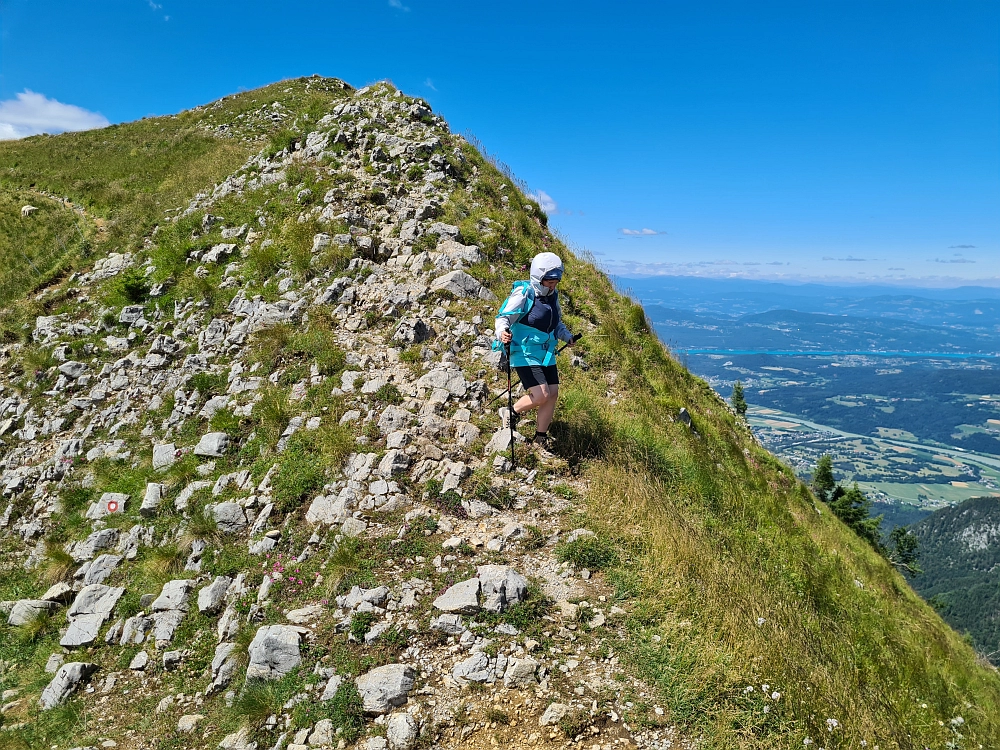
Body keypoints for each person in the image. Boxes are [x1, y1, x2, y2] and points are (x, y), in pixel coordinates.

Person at [494, 252, 575, 452]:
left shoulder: (552, 296)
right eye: (549, 281)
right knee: (541, 395)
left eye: (556, 281)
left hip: (546, 352)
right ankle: (510, 412)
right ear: (538, 278)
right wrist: (502, 332)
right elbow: (503, 317)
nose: (553, 285)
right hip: (524, 351)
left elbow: (556, 323)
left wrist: (567, 336)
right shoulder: (524, 293)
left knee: (553, 394)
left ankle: (540, 438)